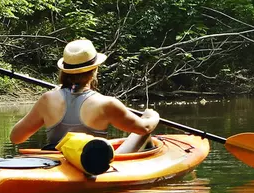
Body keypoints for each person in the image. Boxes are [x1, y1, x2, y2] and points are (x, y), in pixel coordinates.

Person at [9, 39, 160, 154]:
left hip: (55, 163)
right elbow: (144, 128)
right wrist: (151, 116)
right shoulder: (106, 103)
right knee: (144, 133)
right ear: (94, 70)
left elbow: (15, 137)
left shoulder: (47, 99)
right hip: (91, 165)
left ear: (65, 71)